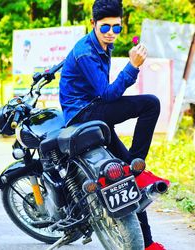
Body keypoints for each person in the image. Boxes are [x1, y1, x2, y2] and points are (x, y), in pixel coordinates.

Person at [59, 0, 170, 249]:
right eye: (105, 27)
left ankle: (148, 243)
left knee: (131, 173)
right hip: (85, 115)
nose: (111, 32)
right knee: (151, 104)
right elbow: (107, 95)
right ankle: (137, 161)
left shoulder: (99, 44)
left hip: (94, 112)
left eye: (116, 28)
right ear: (93, 24)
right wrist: (132, 66)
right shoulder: (86, 52)